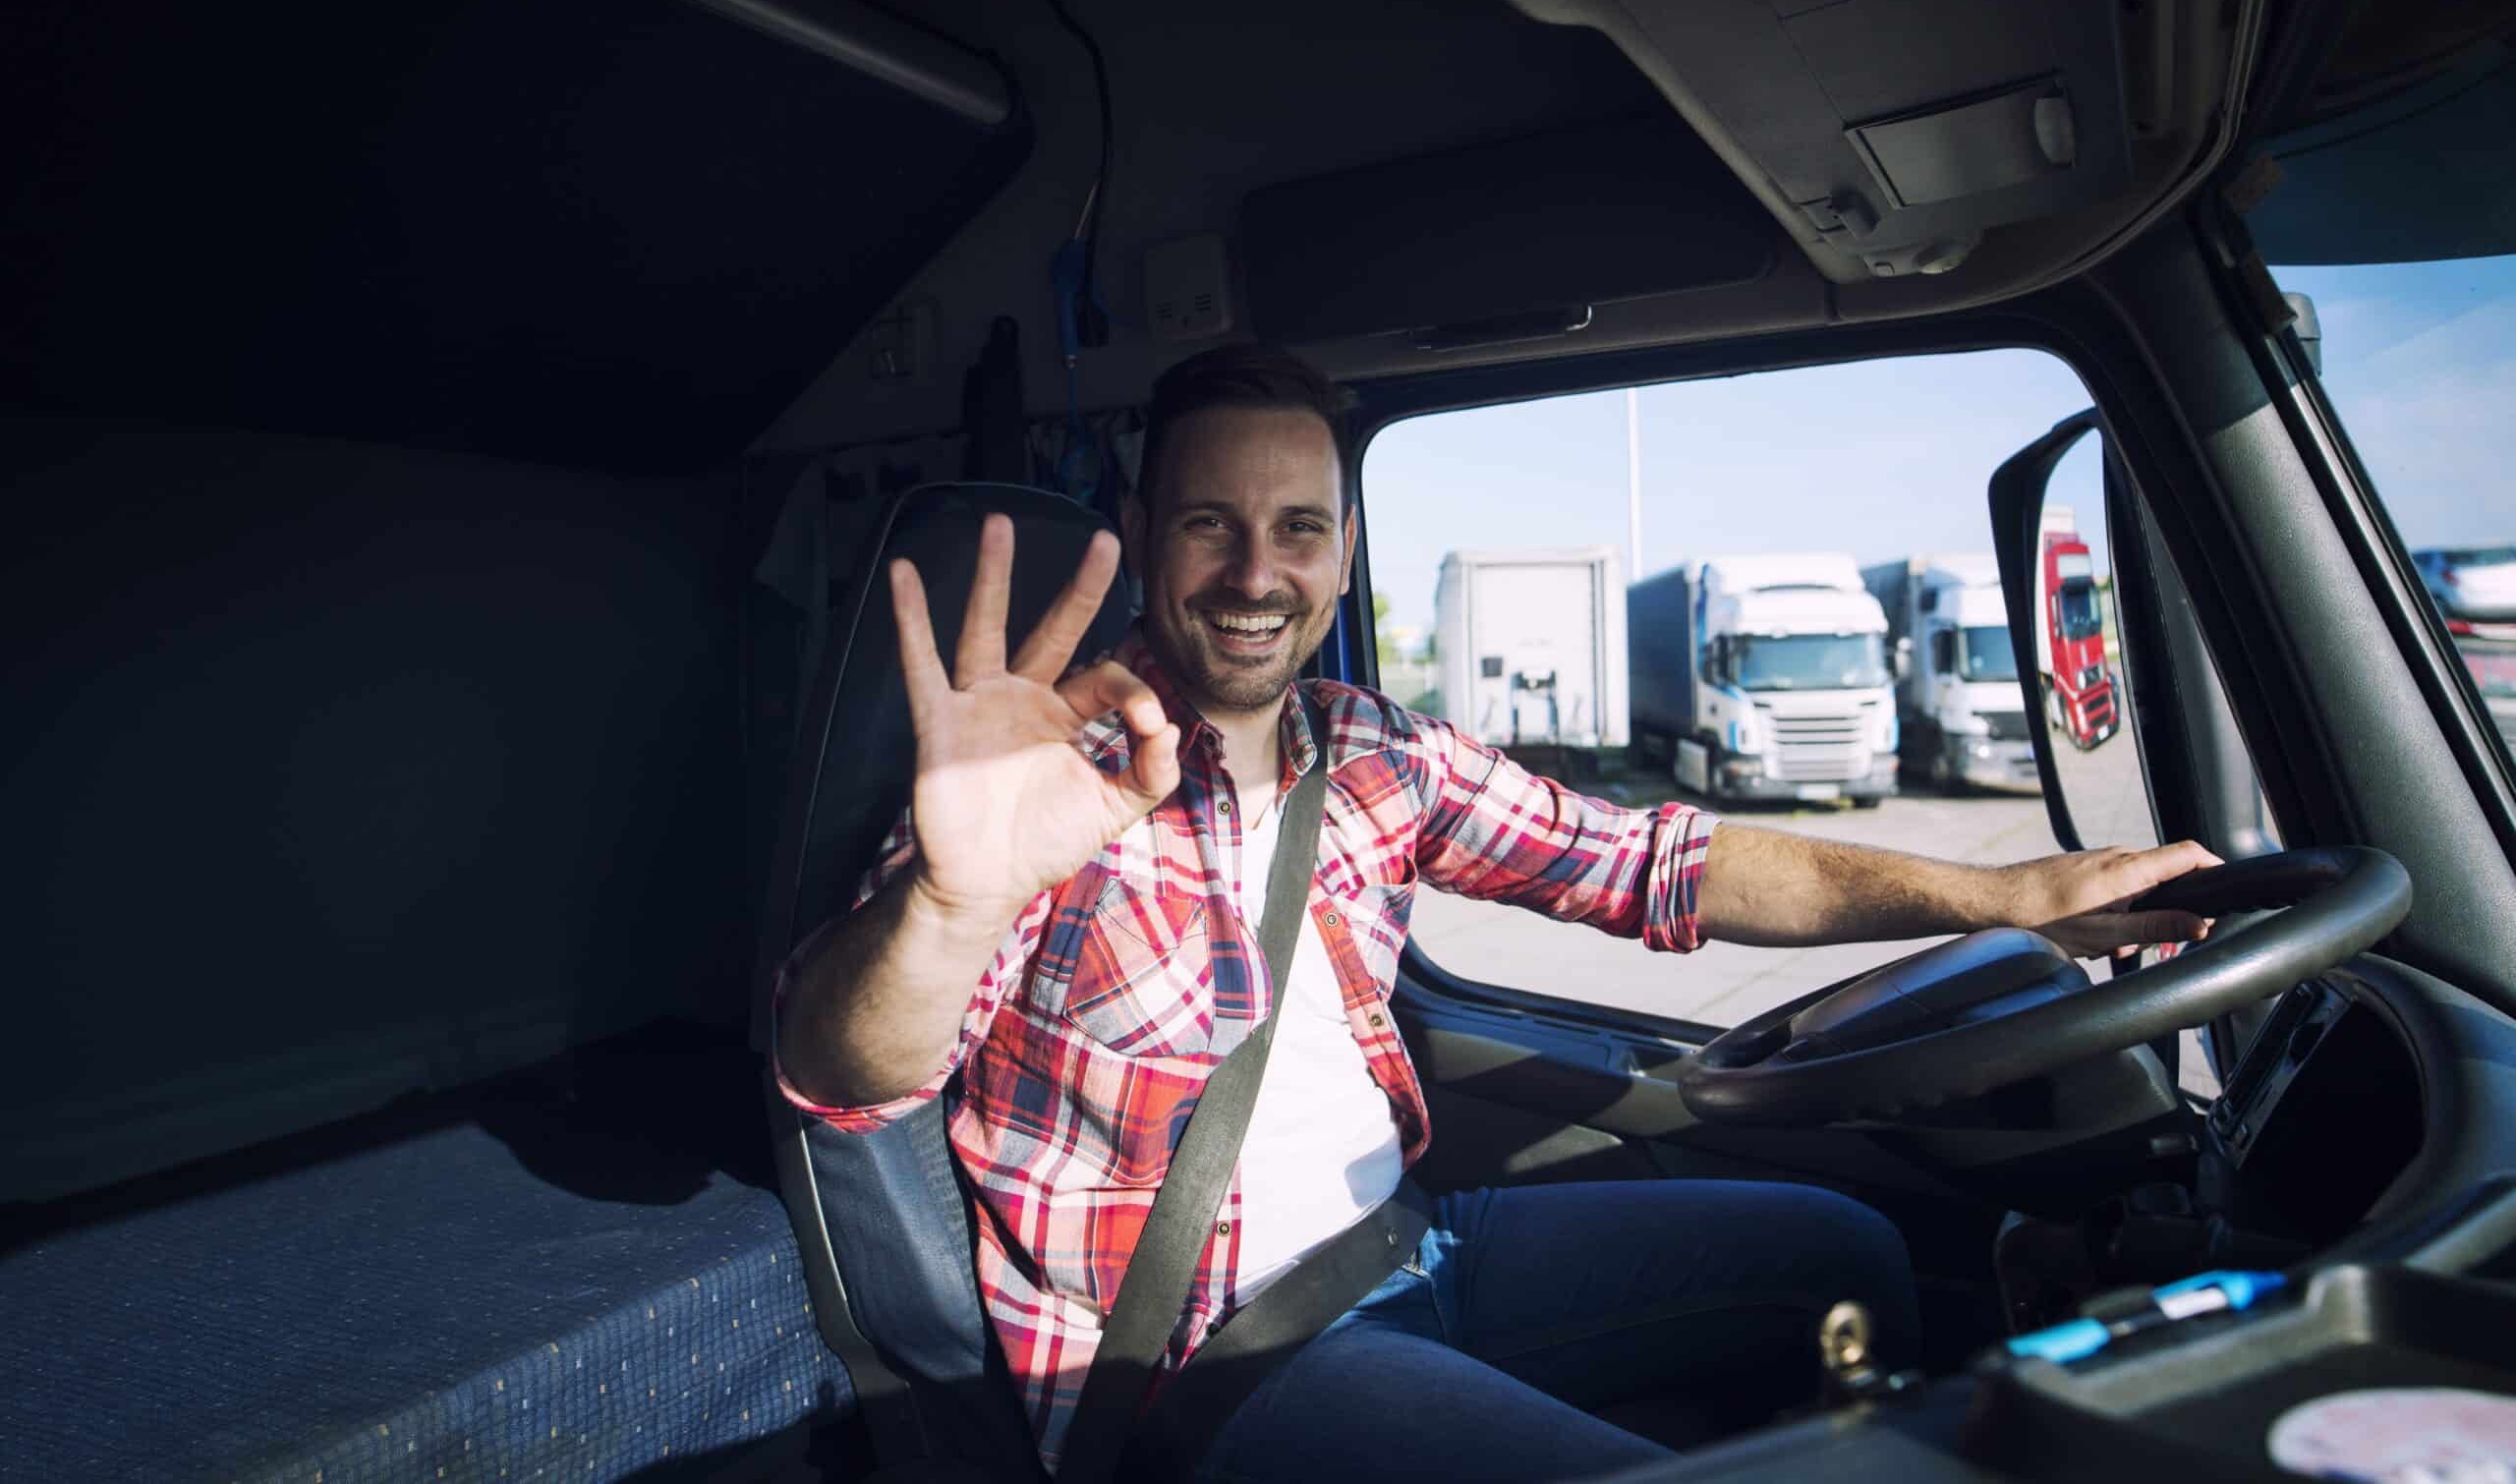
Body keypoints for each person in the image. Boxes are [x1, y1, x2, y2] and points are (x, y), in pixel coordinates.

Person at [773, 343, 2216, 1481]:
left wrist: (2013, 895)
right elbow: (845, 1077)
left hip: (1416, 1247)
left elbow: (1666, 863)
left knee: (1859, 1250)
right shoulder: (1045, 782)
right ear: (1146, 530)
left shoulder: (1380, 752)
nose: (1256, 572)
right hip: (1204, 1363)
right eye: (1211, 522)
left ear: (1342, 549)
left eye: (1297, 528)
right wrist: (949, 901)